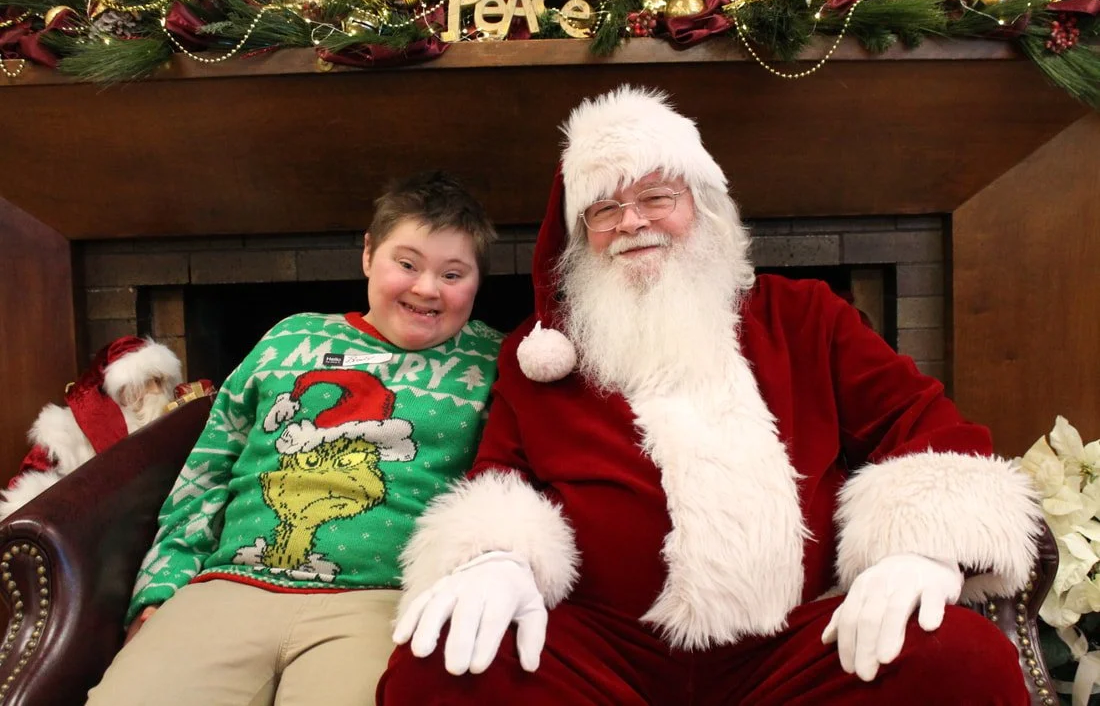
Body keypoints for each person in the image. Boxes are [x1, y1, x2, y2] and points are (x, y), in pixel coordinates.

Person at [379, 87, 1043, 705]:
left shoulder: (805, 316)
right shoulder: (541, 354)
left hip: (797, 646)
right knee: (434, 666)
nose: (633, 222)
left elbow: (921, 420)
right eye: (606, 208)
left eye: (656, 197)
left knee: (964, 658)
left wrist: (916, 548)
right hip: (606, 655)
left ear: (701, 204)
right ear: (583, 236)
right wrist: (498, 558)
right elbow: (502, 477)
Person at [87, 171, 504, 706]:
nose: (427, 288)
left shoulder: (496, 362)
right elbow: (208, 469)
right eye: (407, 264)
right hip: (232, 585)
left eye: (453, 273)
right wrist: (161, 586)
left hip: (382, 599)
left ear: (476, 282)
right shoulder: (290, 337)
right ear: (368, 254)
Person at [1, 336, 181, 519]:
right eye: (151, 382)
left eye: (161, 382)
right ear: (125, 388)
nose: (159, 392)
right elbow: (29, 481)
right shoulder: (66, 433)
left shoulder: (154, 422)